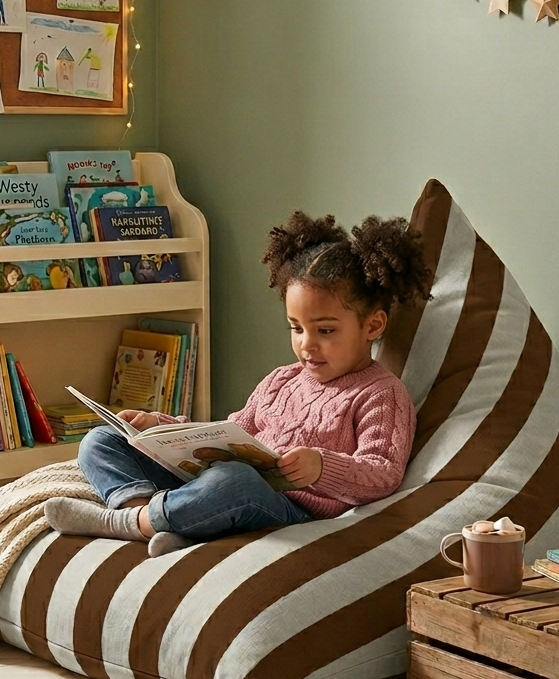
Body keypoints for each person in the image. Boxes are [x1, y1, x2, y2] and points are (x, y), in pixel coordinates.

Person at [45, 211, 433, 557]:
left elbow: (383, 473)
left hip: (288, 508)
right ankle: (153, 516)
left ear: (373, 326)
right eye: (296, 328)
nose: (306, 344)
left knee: (232, 482)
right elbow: (230, 434)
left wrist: (320, 467)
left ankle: (126, 523)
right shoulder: (282, 379)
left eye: (325, 330)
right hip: (215, 484)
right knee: (102, 441)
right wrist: (162, 429)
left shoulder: (381, 393)